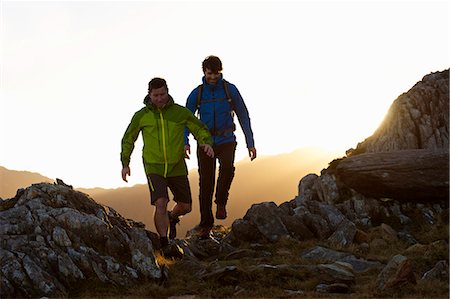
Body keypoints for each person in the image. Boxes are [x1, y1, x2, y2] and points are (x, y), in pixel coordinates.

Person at [121, 77, 214, 254]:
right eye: (156, 95)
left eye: (162, 94)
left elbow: (199, 127)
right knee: (161, 202)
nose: (160, 98)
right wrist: (125, 163)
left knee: (186, 206)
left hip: (176, 165)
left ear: (167, 92)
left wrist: (205, 142)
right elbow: (128, 138)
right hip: (153, 165)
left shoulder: (180, 112)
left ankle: (172, 217)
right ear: (149, 94)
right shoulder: (142, 116)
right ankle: (164, 243)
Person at [184, 55, 256, 238]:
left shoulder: (229, 90)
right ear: (204, 72)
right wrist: (185, 142)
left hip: (226, 140)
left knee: (227, 169)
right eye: (210, 74)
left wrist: (250, 143)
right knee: (206, 183)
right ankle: (206, 225)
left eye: (216, 74)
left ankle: (221, 202)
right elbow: (185, 119)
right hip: (205, 143)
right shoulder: (197, 93)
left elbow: (243, 115)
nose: (213, 78)